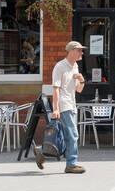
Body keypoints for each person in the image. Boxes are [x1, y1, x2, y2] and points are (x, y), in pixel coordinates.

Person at [35, 41, 86, 174]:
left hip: (72, 104)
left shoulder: (75, 66)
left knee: (66, 136)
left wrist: (82, 80)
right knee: (73, 135)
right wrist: (56, 108)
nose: (82, 53)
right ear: (71, 51)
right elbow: (56, 89)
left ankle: (40, 151)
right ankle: (71, 164)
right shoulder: (60, 67)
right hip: (64, 105)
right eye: (79, 50)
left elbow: (79, 90)